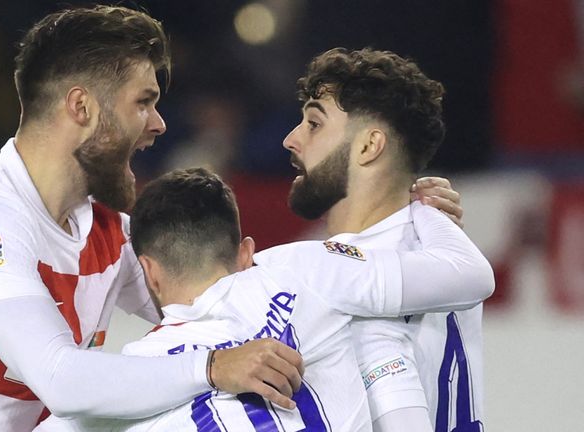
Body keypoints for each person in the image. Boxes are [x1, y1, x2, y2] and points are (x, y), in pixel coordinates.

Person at [0, 6, 306, 432]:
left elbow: (211, 302)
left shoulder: (107, 228)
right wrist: (209, 367)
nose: (158, 124)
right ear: (81, 107)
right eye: (143, 102)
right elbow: (59, 379)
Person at [68, 167, 493, 431]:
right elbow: (468, 274)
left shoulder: (126, 379)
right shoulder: (303, 269)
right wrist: (426, 209)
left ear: (148, 271)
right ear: (247, 251)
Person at [259, 47, 486, 431]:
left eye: (314, 123)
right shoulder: (428, 251)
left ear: (368, 146)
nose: (291, 139)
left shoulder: (363, 279)